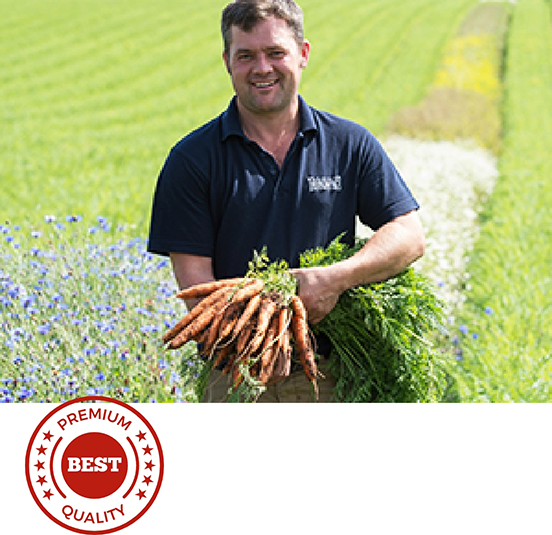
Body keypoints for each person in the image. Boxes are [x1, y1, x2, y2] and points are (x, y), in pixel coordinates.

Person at [147, 0, 425, 402]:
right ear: (227, 61)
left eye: (275, 52)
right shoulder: (193, 160)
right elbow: (197, 291)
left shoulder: (349, 144)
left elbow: (409, 235)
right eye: (246, 56)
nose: (262, 68)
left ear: (303, 54)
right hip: (236, 376)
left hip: (333, 372)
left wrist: (334, 279)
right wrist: (259, 342)